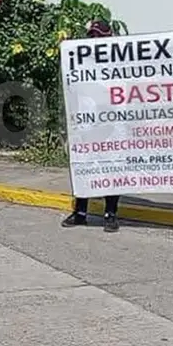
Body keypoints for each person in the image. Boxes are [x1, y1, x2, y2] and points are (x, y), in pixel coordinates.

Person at [62, 18, 122, 233]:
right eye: (93, 35)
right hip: (86, 122)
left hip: (112, 123)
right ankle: (80, 213)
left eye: (100, 35)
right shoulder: (81, 58)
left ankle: (111, 214)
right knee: (84, 166)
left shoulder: (120, 58)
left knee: (112, 168)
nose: (96, 39)